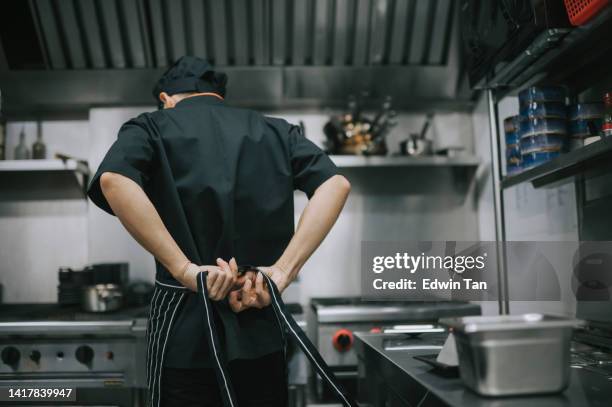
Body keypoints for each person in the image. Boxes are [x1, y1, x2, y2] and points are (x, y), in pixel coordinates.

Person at [87, 56, 351, 407]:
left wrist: (183, 269)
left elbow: (114, 180)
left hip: (184, 328)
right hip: (260, 322)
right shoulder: (276, 130)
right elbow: (335, 184)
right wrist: (283, 272)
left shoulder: (151, 126)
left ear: (166, 98)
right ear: (218, 96)